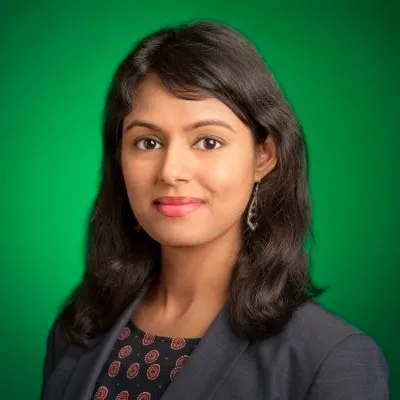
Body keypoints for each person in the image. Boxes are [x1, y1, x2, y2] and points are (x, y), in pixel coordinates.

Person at [41, 20, 389, 400]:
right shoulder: (78, 329)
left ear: (263, 156)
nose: (171, 172)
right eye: (147, 142)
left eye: (208, 141)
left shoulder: (329, 360)